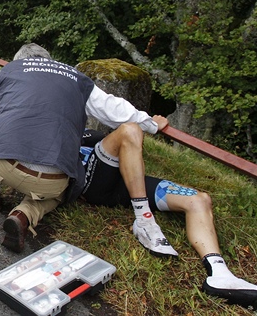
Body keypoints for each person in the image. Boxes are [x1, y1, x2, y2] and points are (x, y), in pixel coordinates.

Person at [0, 43, 257, 308]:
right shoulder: (76, 94)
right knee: (125, 133)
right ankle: (139, 215)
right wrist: (149, 122)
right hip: (83, 177)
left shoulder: (25, 83)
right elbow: (116, 110)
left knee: (199, 199)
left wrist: (143, 126)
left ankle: (219, 272)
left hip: (107, 180)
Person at [80, 125, 257, 308]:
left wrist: (148, 121)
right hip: (91, 182)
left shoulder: (92, 133)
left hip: (128, 183)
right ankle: (144, 219)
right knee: (129, 130)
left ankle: (220, 274)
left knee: (199, 200)